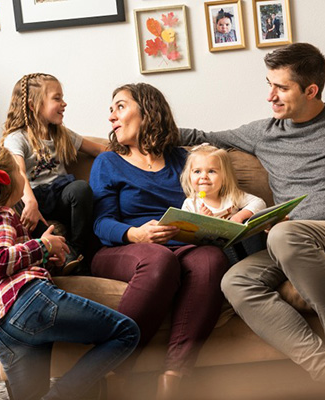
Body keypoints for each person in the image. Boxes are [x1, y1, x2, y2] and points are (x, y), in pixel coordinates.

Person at [180, 42, 325, 387]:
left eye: (281, 87)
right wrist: (123, 140)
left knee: (283, 233)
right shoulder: (264, 133)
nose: (270, 96)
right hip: (291, 242)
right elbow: (201, 137)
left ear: (311, 90)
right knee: (235, 281)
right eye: (269, 84)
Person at [0, 146, 139, 400]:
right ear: (7, 182)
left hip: (0, 326)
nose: (22, 175)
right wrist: (43, 245)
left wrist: (48, 256)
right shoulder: (3, 217)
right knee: (126, 332)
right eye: (19, 171)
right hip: (28, 302)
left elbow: (5, 265)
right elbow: (0, 260)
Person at [89, 83, 229, 400]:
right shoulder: (107, 163)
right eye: (111, 109)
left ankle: (173, 378)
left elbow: (202, 201)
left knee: (211, 260)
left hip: (182, 245)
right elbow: (101, 223)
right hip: (123, 249)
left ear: (147, 111)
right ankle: (118, 370)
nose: (111, 116)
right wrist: (136, 234)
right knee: (159, 259)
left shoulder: (183, 159)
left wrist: (216, 216)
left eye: (120, 107)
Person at [1, 73, 105, 275]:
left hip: (59, 197)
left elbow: (99, 150)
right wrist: (31, 202)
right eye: (57, 98)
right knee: (18, 203)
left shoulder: (61, 134)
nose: (64, 103)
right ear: (33, 105)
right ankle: (51, 255)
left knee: (80, 188)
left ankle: (74, 251)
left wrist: (131, 147)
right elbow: (19, 171)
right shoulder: (17, 138)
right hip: (34, 200)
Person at [180, 143, 267, 263]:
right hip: (219, 253)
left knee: (250, 222)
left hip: (242, 245)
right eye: (197, 171)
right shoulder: (191, 203)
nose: (204, 176)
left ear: (224, 176)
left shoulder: (232, 196)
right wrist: (203, 223)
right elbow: (187, 235)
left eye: (211, 171)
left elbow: (259, 202)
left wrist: (239, 216)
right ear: (189, 176)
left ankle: (258, 262)